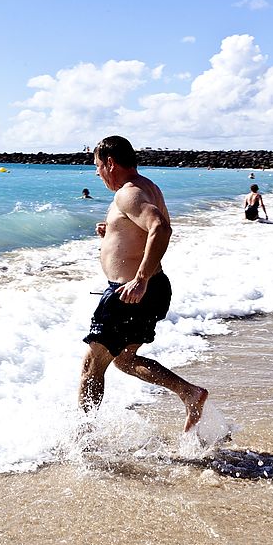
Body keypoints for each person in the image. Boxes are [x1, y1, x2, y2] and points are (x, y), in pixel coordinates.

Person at [79, 135, 208, 432]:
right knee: (125, 360)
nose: (98, 174)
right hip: (153, 287)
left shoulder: (128, 193)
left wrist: (140, 278)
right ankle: (190, 393)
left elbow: (160, 228)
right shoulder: (148, 187)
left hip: (130, 292)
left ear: (110, 163)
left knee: (91, 365)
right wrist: (112, 231)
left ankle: (82, 441)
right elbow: (147, 229)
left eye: (98, 166)